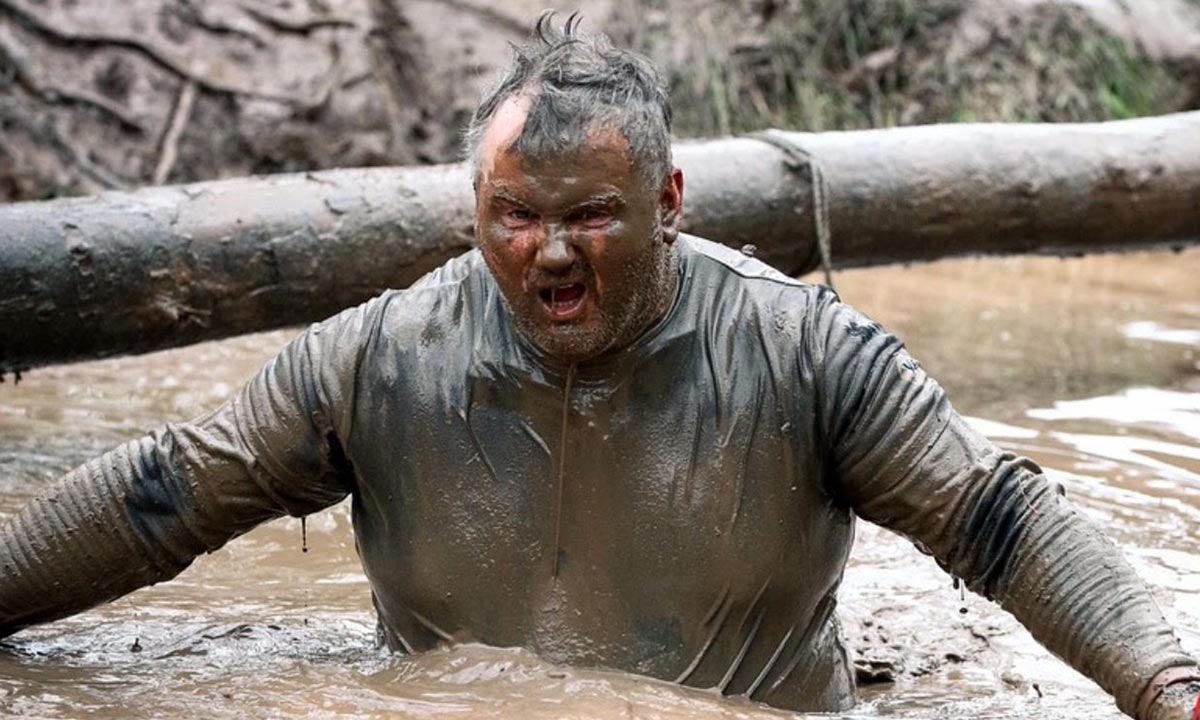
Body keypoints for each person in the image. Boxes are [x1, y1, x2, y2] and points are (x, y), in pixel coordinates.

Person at [0, 13, 1197, 720]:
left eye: (592, 217)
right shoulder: (378, 360)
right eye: (515, 217)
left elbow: (1005, 523)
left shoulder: (806, 352)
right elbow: (163, 495)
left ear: (669, 201)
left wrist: (1165, 683)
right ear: (474, 206)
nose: (551, 256)